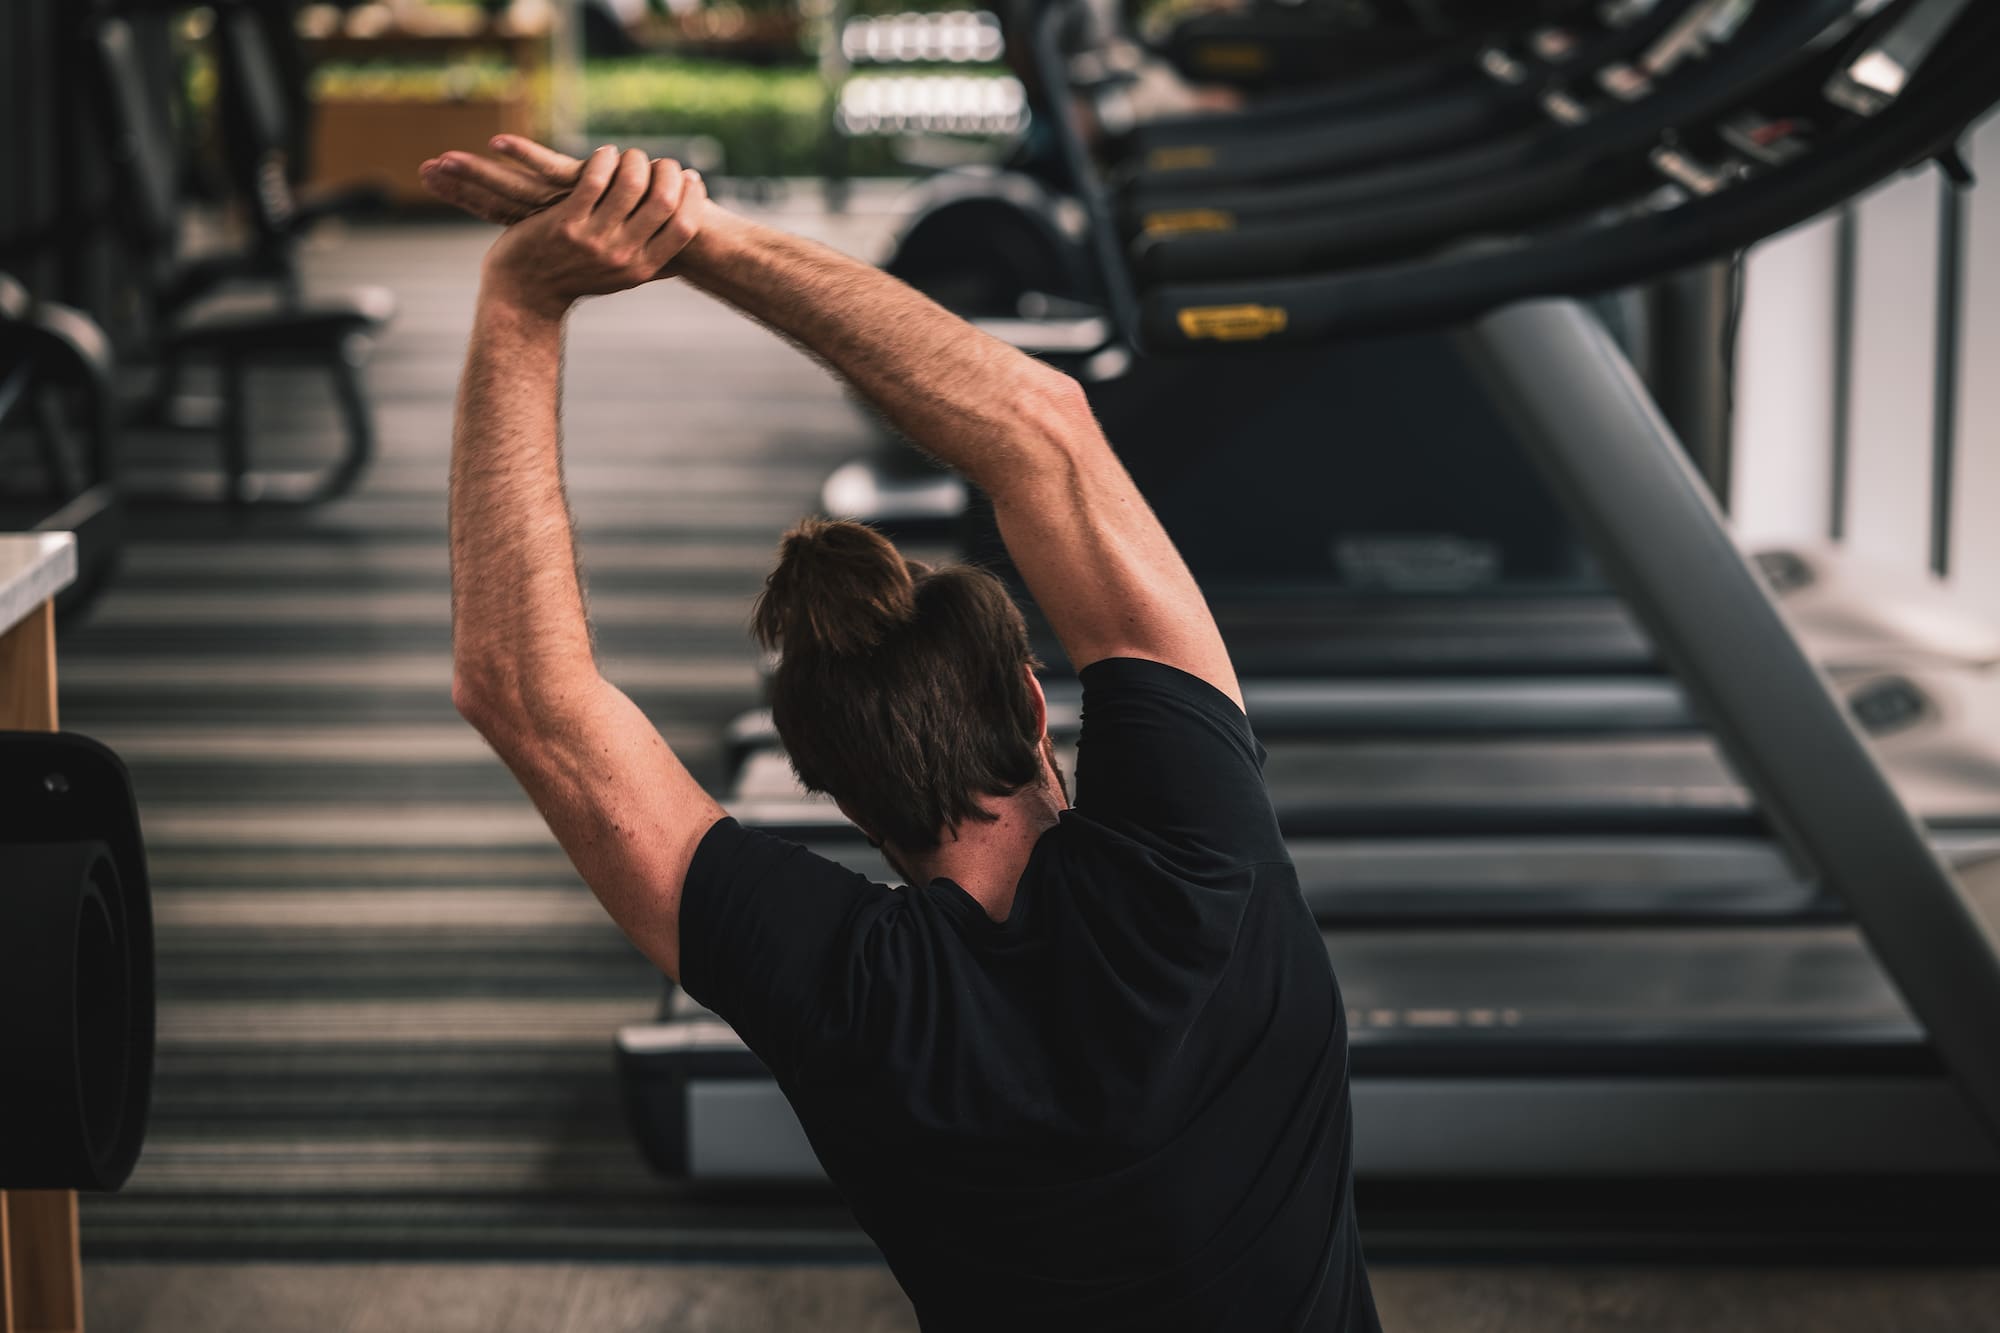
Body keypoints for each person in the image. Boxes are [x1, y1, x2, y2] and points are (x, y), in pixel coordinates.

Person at [426, 137, 1379, 1332]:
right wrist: (697, 236)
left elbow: (520, 688)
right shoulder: (1198, 867)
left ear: (828, 789)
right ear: (1034, 702)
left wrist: (521, 301)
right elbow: (1041, 426)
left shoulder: (851, 998)